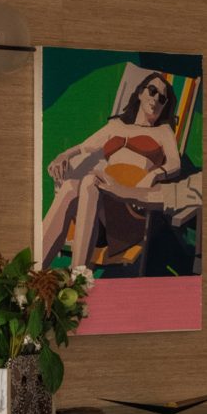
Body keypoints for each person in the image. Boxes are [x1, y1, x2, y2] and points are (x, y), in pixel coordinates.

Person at [38, 69, 183, 271]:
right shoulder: (115, 126)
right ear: (140, 93)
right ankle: (35, 269)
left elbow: (175, 164)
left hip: (131, 206)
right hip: (101, 206)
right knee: (71, 186)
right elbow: (84, 146)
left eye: (162, 98)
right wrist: (63, 156)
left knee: (90, 181)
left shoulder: (163, 131)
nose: (156, 99)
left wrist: (153, 174)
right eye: (152, 91)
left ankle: (78, 276)